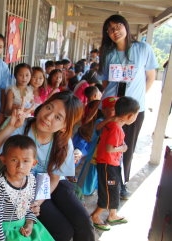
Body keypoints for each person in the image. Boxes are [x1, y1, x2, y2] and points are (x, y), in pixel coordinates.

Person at [0, 91, 95, 241]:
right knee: (63, 231)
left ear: (64, 127)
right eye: (49, 108)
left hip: (51, 184)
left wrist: (38, 201)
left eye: (58, 117)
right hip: (22, 186)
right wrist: (11, 127)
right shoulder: (21, 125)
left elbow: (54, 177)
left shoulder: (63, 142)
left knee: (84, 222)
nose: (48, 117)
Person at [98, 14, 158, 199]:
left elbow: (150, 78)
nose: (114, 31)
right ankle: (104, 182)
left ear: (126, 26)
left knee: (126, 147)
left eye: (117, 26)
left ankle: (121, 184)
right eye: (110, 29)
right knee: (106, 146)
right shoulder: (108, 53)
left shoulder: (143, 49)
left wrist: (136, 101)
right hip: (111, 108)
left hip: (133, 111)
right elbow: (106, 82)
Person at [0, 135, 54, 241]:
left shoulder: (31, 179)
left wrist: (29, 223)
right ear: (4, 160)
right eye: (14, 160)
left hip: (24, 226)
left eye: (26, 161)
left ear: (34, 163)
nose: (20, 166)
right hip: (6, 232)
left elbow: (28, 207)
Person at [91, 96, 140, 231]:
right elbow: (109, 148)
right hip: (108, 165)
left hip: (112, 164)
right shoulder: (116, 129)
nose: (136, 117)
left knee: (114, 189)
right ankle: (95, 216)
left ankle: (112, 214)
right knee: (108, 191)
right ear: (129, 116)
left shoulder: (112, 124)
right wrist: (123, 148)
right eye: (136, 115)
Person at [76, 96, 118, 196]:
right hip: (94, 155)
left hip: (105, 157)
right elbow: (98, 128)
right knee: (88, 173)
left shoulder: (116, 124)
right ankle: (80, 191)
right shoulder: (100, 121)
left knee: (99, 175)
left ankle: (92, 190)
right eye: (112, 109)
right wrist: (110, 119)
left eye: (117, 110)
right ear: (104, 110)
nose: (115, 112)